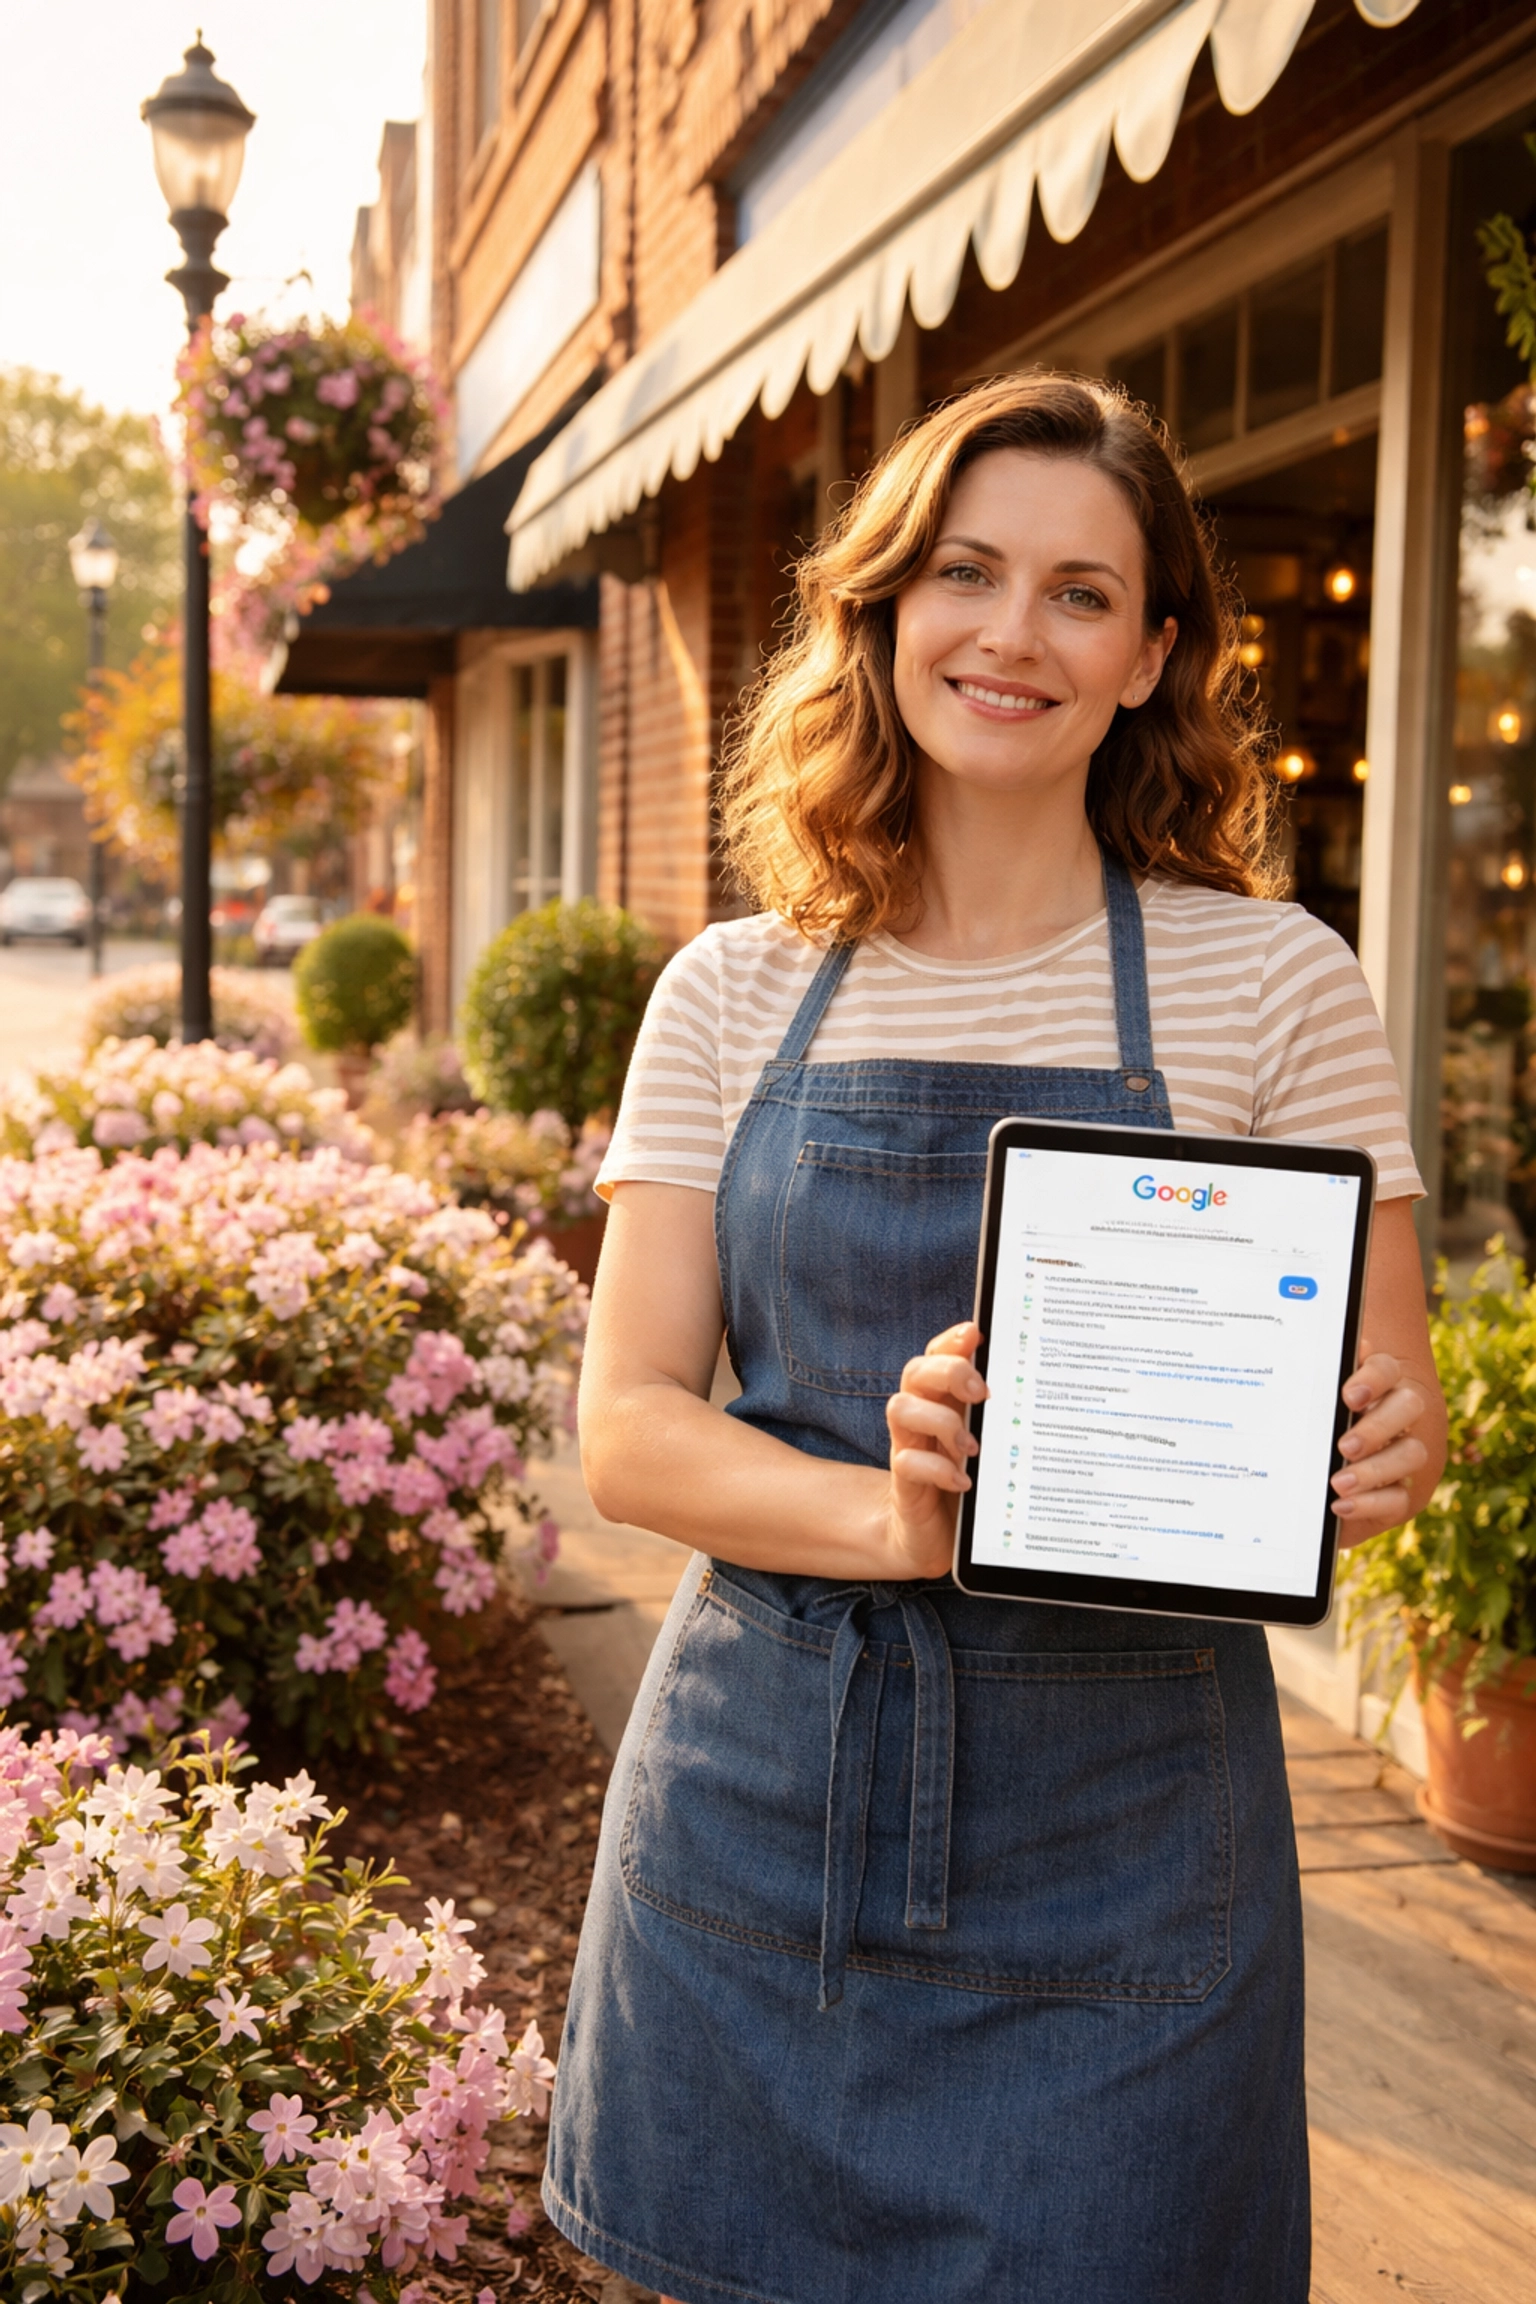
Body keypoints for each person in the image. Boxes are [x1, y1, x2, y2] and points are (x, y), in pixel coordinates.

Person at [541, 373, 1447, 2304]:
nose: (1012, 634)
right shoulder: (729, 990)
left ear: (1152, 658)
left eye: (1081, 593)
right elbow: (626, 1432)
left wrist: (1372, 1462)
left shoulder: (1276, 982)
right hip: (758, 1812)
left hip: (1132, 1841)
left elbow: (1383, 1429)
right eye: (964, 572)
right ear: (879, 614)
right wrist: (894, 1516)